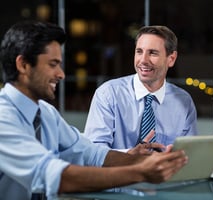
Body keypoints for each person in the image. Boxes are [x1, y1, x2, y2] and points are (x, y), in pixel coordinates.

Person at [0, 20, 188, 200]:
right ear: (23, 65)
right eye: (53, 64)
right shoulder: (3, 117)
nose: (61, 74)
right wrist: (141, 172)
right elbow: (56, 177)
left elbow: (92, 154)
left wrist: (149, 161)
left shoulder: (46, 113)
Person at [83, 25, 198, 154]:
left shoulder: (184, 102)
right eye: (139, 51)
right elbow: (93, 152)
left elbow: (190, 153)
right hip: (120, 173)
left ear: (171, 59)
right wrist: (129, 156)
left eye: (153, 53)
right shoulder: (108, 94)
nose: (143, 60)